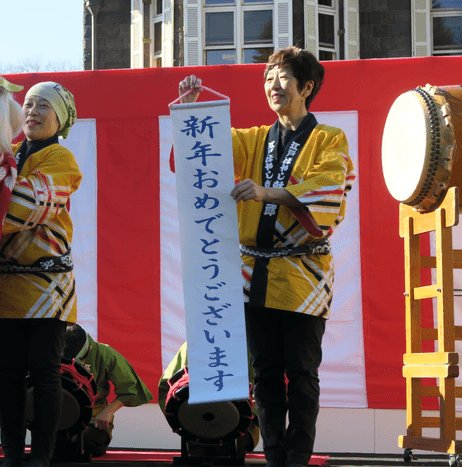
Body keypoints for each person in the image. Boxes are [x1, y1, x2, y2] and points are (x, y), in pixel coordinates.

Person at [176, 47, 356, 467]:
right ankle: (275, 455)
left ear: (306, 86)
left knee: (303, 374)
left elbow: (329, 188)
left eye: (281, 78)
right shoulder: (255, 138)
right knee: (266, 373)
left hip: (303, 273)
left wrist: (264, 191)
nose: (272, 86)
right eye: (267, 79)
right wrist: (189, 113)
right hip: (252, 272)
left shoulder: (329, 137)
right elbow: (199, 153)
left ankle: (298, 456)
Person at [0, 81, 82, 467]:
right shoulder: (5, 154)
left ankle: (41, 456)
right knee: (9, 375)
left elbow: (24, 206)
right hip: (7, 284)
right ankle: (12, 454)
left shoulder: (61, 159)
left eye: (44, 105)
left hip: (48, 287)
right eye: (27, 104)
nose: (32, 111)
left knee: (45, 374)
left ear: (59, 119)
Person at [56, 324, 154, 458]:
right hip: (60, 415)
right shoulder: (52, 351)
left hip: (93, 417)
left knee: (89, 446)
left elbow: (130, 389)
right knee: (55, 450)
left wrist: (108, 411)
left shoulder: (104, 353)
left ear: (90, 347)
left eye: (79, 359)